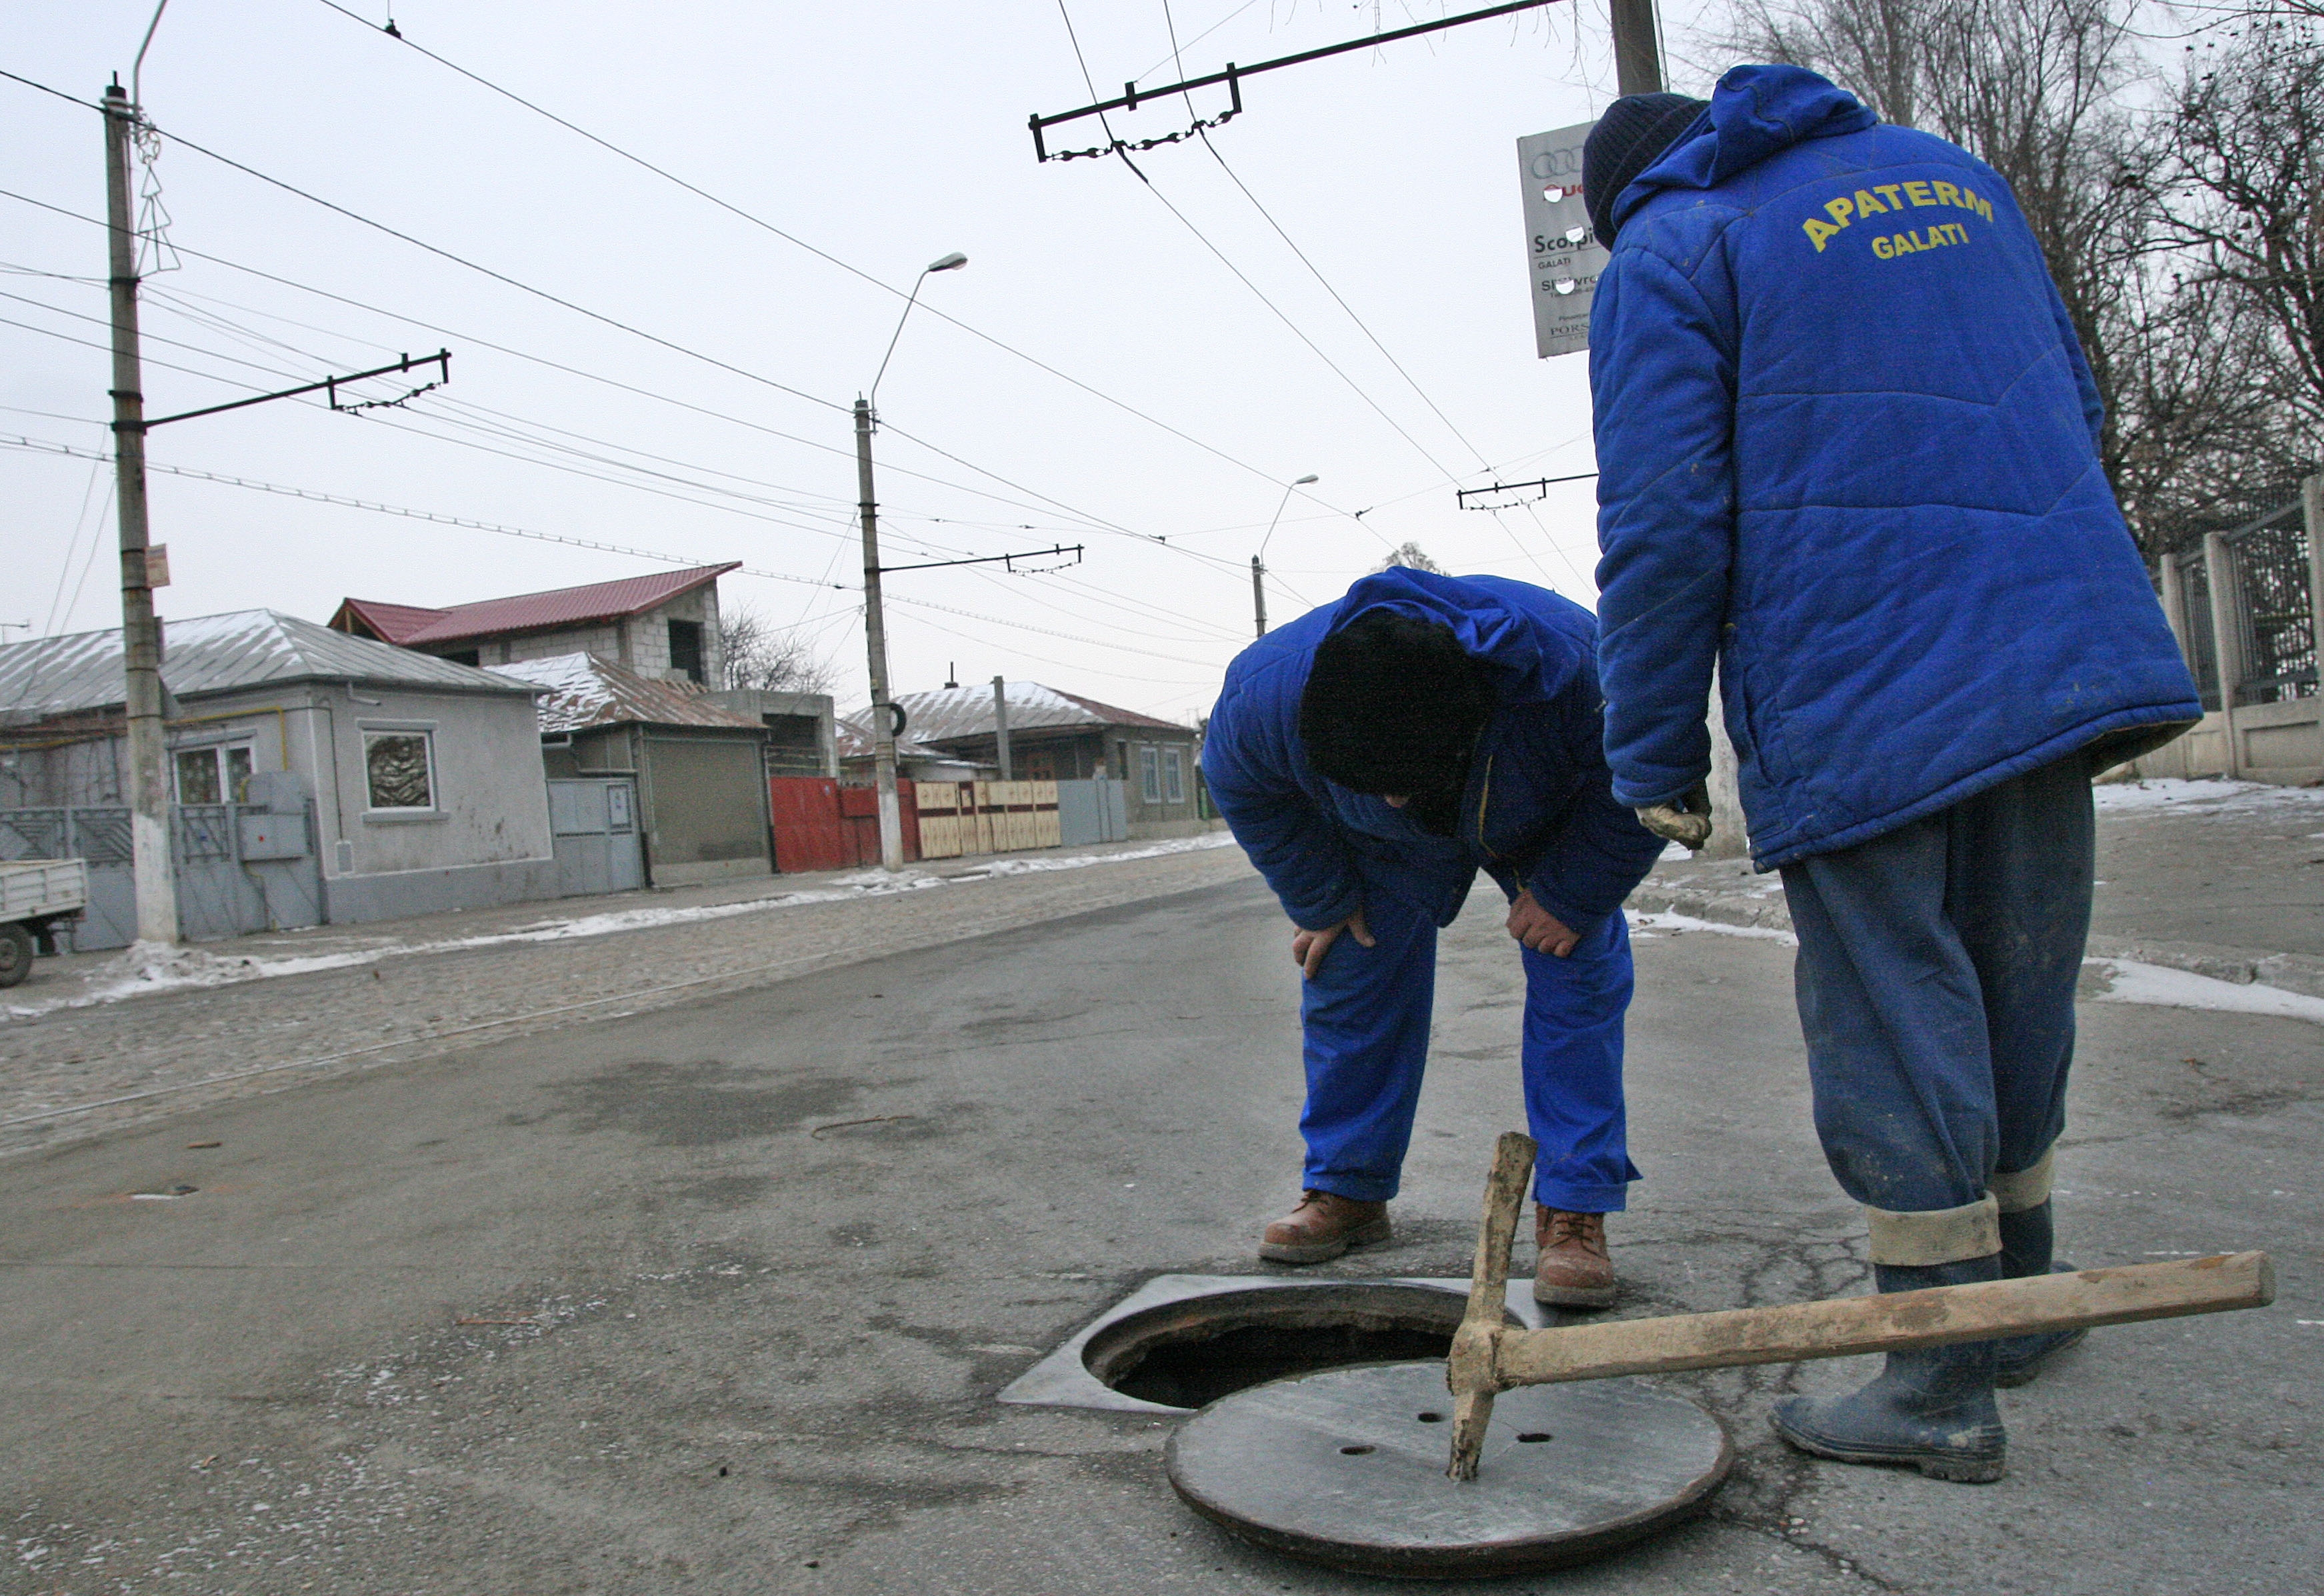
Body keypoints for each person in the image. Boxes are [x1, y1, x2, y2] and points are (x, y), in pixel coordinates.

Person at [1581, 66, 2201, 1480]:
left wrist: (1655, 747)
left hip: (1861, 671)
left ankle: (1935, 1380)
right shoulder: (1953, 177)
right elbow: (2078, 399)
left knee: (1894, 1007)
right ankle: (2020, 1302)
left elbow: (1669, 521)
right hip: (2053, 646)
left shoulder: (1673, 251)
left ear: (1631, 199)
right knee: (2015, 972)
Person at [1201, 567, 1667, 1305]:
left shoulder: (1575, 666)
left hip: (1542, 813)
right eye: (1372, 778)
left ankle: (1574, 1208)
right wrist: (1321, 897)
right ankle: (1347, 1189)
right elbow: (1242, 787)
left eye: (1400, 779)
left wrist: (1575, 892)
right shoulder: (1266, 695)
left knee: (1575, 969)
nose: (1391, 794)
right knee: (1348, 961)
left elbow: (1651, 770)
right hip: (1379, 847)